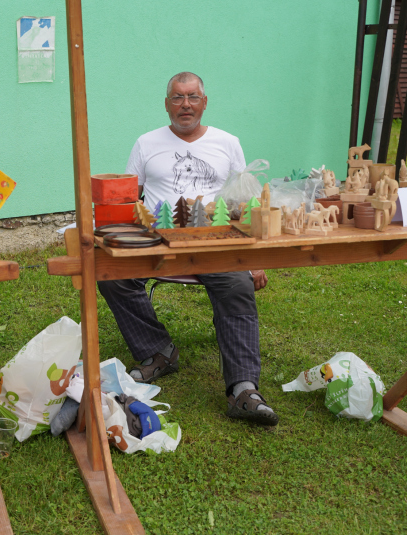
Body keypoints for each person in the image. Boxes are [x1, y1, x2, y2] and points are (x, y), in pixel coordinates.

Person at [98, 72, 278, 426]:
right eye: (177, 98)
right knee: (111, 275)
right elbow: (127, 196)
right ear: (167, 104)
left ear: (204, 102)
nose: (185, 105)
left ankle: (243, 388)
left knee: (236, 284)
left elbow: (244, 202)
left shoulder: (227, 143)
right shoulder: (147, 143)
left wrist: (251, 259)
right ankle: (158, 352)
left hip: (214, 243)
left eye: (193, 97)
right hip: (157, 241)